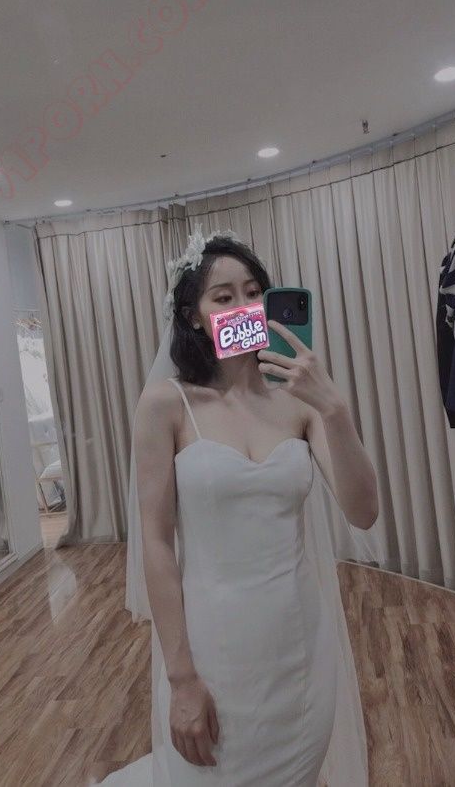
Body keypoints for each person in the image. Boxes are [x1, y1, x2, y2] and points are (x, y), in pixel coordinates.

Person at [102, 225, 377, 786]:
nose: (243, 306)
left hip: (300, 646)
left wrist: (335, 410)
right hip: (213, 650)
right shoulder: (166, 405)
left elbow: (364, 512)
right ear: (193, 316)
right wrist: (181, 677)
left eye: (254, 292)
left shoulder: (298, 402)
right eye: (223, 297)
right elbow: (155, 541)